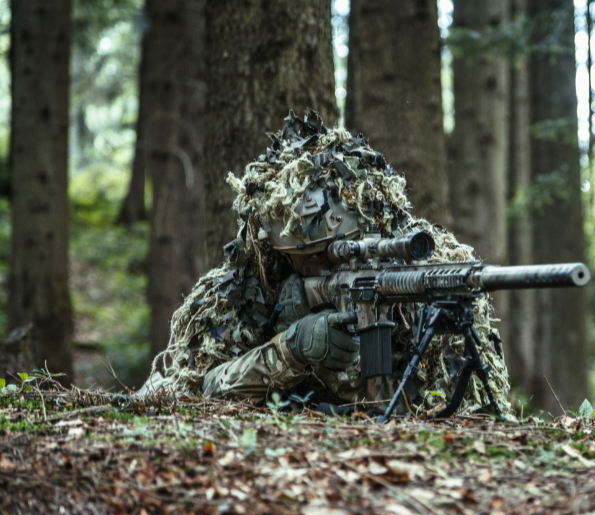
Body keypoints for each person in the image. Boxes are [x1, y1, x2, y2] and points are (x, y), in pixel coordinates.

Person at [141, 111, 510, 416]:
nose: (321, 267)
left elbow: (455, 410)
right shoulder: (242, 288)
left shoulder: (425, 276)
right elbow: (195, 390)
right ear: (276, 251)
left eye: (335, 251)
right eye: (307, 259)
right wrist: (289, 350)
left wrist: (351, 376)